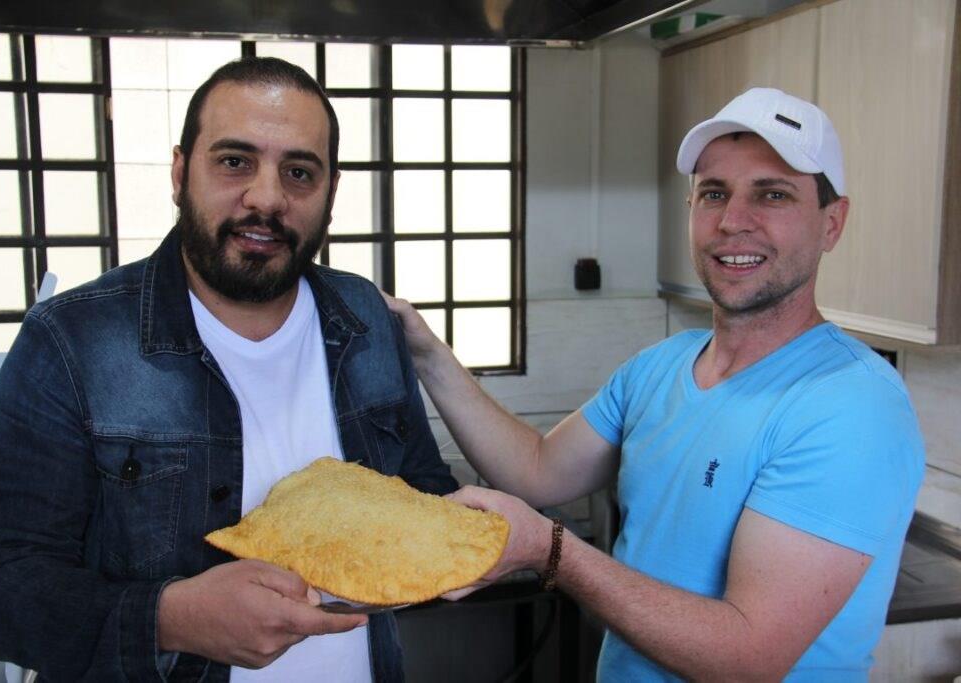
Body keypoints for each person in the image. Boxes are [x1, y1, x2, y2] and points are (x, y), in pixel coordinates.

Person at [386, 87, 925, 681]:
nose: (732, 221)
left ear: (832, 223)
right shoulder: (660, 367)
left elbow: (747, 658)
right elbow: (536, 470)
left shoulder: (852, 405)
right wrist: (424, 350)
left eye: (773, 194)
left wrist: (549, 550)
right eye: (713, 193)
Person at [0, 56, 456, 682]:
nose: (267, 198)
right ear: (179, 172)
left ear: (331, 190)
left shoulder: (364, 318)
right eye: (234, 162)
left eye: (299, 172)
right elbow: (1, 594)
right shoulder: (72, 341)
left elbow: (421, 495)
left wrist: (490, 537)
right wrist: (172, 617)